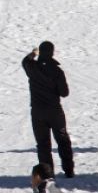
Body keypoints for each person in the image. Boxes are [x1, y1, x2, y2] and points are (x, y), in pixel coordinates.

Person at [22, 42, 75, 178]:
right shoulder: (57, 71)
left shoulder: (32, 68)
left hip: (37, 112)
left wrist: (33, 53)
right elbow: (64, 93)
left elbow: (25, 61)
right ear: (52, 53)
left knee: (43, 144)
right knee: (62, 140)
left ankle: (48, 174)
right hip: (54, 111)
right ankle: (69, 170)